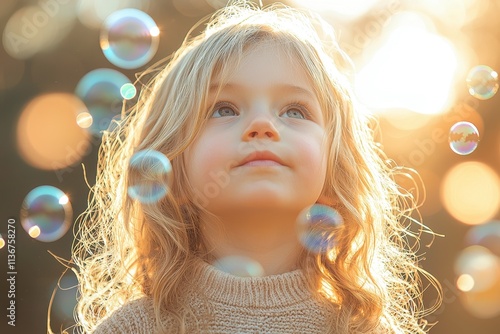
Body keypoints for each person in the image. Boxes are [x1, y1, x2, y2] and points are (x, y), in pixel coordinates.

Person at [72, 1, 442, 333]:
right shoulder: (135, 328)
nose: (263, 124)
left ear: (335, 173)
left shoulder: (359, 329)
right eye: (224, 109)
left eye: (294, 111)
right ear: (167, 172)